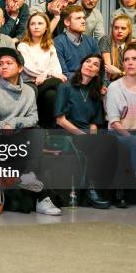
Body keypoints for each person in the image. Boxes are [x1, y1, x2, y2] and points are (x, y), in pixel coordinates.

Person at [0, 47, 61, 216]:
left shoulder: (29, 91)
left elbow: (33, 118)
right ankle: (41, 194)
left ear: (20, 68)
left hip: (21, 137)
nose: (3, 66)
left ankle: (30, 179)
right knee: (32, 137)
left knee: (37, 131)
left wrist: (14, 122)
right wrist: (9, 126)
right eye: (1, 63)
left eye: (9, 63)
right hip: (0, 139)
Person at [54, 54, 114, 209]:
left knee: (110, 143)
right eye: (87, 61)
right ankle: (90, 190)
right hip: (67, 132)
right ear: (81, 64)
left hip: (87, 134)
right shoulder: (65, 87)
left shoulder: (94, 92)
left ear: (97, 72)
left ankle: (105, 192)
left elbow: (95, 122)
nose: (90, 65)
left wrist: (91, 135)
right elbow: (60, 120)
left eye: (95, 65)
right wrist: (83, 135)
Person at [105, 44, 136, 210]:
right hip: (120, 134)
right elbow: (114, 122)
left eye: (135, 59)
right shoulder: (115, 88)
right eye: (126, 59)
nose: (130, 63)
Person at [17, 12, 66, 128]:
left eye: (40, 23)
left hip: (45, 85)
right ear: (28, 27)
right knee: (59, 82)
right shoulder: (23, 46)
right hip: (29, 84)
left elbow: (57, 70)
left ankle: (47, 130)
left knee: (51, 95)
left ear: (46, 27)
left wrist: (45, 75)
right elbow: (29, 69)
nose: (36, 26)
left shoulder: (50, 47)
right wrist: (48, 73)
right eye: (33, 24)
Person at [54, 4, 100, 79]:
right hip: (70, 84)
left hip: (92, 83)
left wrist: (103, 84)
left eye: (83, 18)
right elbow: (64, 73)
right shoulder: (58, 42)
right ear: (67, 22)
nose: (83, 21)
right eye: (78, 18)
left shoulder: (91, 41)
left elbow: (100, 67)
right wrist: (85, 78)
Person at [99, 14, 133, 82]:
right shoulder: (106, 39)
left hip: (126, 82)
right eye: (116, 28)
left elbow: (133, 74)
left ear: (129, 30)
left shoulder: (131, 46)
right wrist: (123, 74)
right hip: (108, 81)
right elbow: (108, 68)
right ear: (112, 28)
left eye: (123, 28)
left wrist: (120, 73)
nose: (119, 31)